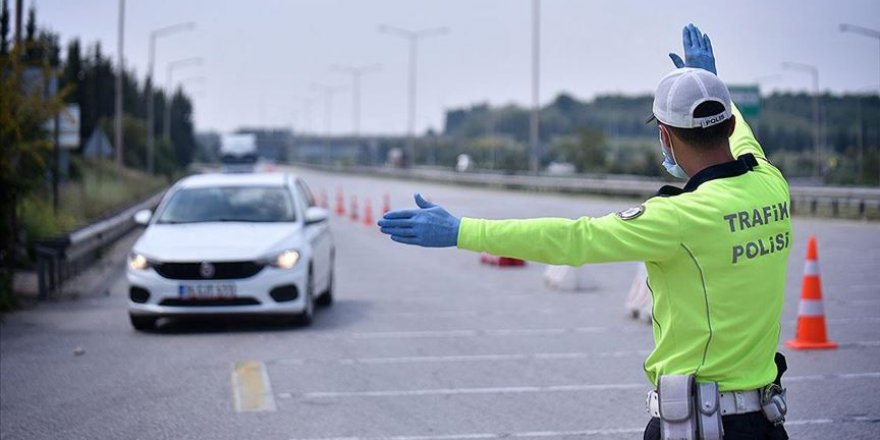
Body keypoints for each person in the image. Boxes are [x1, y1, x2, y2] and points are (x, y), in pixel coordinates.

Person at [378, 24, 791, 440]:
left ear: (665, 135)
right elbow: (745, 142)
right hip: (766, 423)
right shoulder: (770, 183)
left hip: (703, 428)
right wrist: (713, 87)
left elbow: (572, 239)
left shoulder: (677, 218)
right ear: (727, 123)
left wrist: (460, 231)